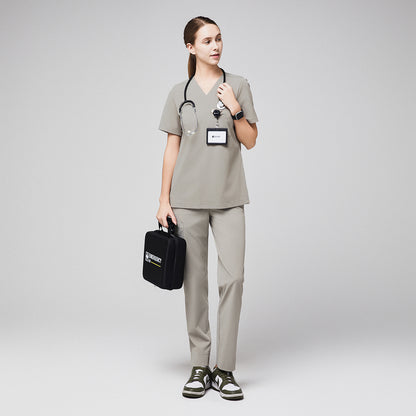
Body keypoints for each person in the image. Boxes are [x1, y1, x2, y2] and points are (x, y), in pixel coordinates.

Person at [156, 16, 258, 401]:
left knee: (232, 280)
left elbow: (250, 141)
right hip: (188, 201)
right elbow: (172, 149)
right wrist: (163, 199)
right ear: (190, 47)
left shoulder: (239, 86)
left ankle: (225, 368)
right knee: (195, 286)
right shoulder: (177, 92)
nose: (215, 46)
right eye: (207, 40)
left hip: (230, 199)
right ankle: (200, 365)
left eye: (219, 39)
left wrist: (234, 109)